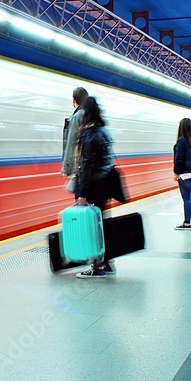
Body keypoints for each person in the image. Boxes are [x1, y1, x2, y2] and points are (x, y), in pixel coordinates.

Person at [73, 96, 118, 278]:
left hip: (95, 185)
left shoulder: (89, 134)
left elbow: (87, 166)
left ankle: (97, 266)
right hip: (106, 183)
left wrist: (82, 195)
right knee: (103, 224)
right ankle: (108, 262)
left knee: (93, 227)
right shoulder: (104, 131)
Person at [61, 87, 89, 194]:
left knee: (81, 204)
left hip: (81, 170)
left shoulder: (77, 117)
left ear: (74, 100)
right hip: (93, 170)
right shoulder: (92, 115)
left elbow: (71, 144)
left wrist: (66, 168)